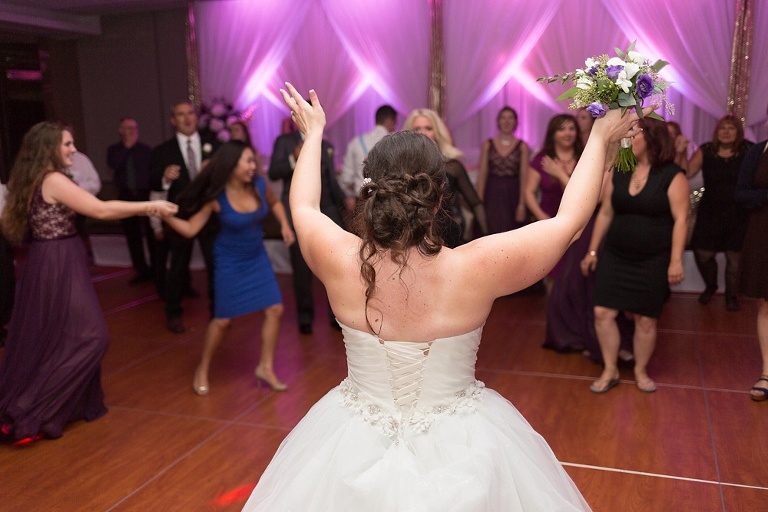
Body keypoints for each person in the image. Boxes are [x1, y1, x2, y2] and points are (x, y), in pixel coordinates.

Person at [241, 83, 650, 511]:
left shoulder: (337, 259)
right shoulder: (476, 267)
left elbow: (303, 208)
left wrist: (314, 133)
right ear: (439, 196)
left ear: (371, 191)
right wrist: (601, 137)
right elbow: (569, 223)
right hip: (463, 446)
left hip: (348, 440)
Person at [0, 122, 176, 444]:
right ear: (49, 148)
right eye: (67, 144)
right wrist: (152, 206)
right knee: (93, 336)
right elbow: (101, 209)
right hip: (58, 260)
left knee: (56, 336)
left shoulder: (32, 178)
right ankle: (32, 408)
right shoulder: (52, 179)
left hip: (48, 258)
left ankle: (56, 407)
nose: (72, 150)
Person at [163, 141, 295, 395]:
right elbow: (191, 228)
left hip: (257, 258)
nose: (252, 166)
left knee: (276, 309)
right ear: (231, 164)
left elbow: (275, 202)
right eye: (247, 161)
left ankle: (265, 368)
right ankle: (202, 368)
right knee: (222, 321)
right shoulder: (217, 197)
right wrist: (165, 216)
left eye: (253, 161)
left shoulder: (259, 185)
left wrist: (285, 226)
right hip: (229, 262)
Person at [581, 117, 688, 394]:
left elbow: (681, 220)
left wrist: (676, 260)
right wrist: (593, 250)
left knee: (645, 319)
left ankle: (640, 370)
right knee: (603, 312)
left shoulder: (673, 175)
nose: (627, 139)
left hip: (653, 260)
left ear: (651, 139)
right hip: (616, 255)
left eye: (633, 133)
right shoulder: (620, 168)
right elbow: (606, 212)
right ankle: (610, 369)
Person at [268, 114, 345, 335]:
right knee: (301, 267)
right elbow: (274, 172)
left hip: (328, 209)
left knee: (334, 265)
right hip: (298, 210)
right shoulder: (285, 142)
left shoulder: (327, 144)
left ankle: (336, 315)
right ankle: (304, 317)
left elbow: (331, 180)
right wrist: (293, 159)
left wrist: (346, 203)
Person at [150, 101, 220, 333]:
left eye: (190, 113)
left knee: (214, 265)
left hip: (208, 214)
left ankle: (217, 313)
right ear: (173, 121)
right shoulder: (163, 151)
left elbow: (228, 178)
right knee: (178, 267)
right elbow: (152, 184)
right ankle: (173, 313)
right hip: (178, 217)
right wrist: (165, 178)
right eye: (181, 114)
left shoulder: (213, 145)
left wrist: (214, 172)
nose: (188, 118)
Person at [684, 115, 753, 311]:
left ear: (738, 132)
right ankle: (711, 286)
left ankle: (731, 296)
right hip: (710, 211)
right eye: (722, 128)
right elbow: (687, 172)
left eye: (731, 128)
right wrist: (680, 152)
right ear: (716, 132)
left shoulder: (748, 150)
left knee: (734, 260)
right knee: (703, 254)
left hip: (739, 212)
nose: (726, 131)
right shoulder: (706, 150)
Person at [403, 108, 488, 247]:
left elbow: (476, 204)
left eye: (428, 128)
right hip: (412, 238)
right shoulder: (403, 168)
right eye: (417, 128)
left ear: (437, 132)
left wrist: (486, 239)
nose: (423, 133)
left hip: (449, 236)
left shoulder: (452, 166)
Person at [525, 113, 583, 292]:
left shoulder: (584, 157)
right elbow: (529, 192)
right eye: (562, 129)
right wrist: (542, 217)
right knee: (553, 272)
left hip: (579, 221)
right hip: (550, 222)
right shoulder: (542, 159)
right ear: (552, 134)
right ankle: (555, 317)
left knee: (576, 273)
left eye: (571, 128)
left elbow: (582, 193)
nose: (568, 133)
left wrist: (560, 174)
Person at [735, 140, 768, 401]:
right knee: (765, 304)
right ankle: (767, 373)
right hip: (762, 232)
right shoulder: (758, 151)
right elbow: (741, 193)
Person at [106, 117, 155, 285]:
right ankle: (141, 270)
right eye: (127, 128)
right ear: (120, 131)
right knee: (132, 236)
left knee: (151, 234)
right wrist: (127, 147)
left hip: (145, 196)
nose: (132, 131)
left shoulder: (146, 150)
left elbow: (153, 173)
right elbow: (114, 165)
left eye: (134, 127)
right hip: (126, 196)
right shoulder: (114, 150)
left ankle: (157, 269)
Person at [475, 106, 529, 234]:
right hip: (491, 192)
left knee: (511, 232)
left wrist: (522, 204)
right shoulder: (487, 144)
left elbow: (524, 176)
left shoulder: (523, 146)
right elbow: (482, 174)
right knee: (489, 230)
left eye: (510, 118)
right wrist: (479, 203)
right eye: (503, 118)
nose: (507, 121)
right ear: (498, 121)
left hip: (513, 194)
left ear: (516, 121)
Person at [339, 105, 397, 212]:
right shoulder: (396, 144)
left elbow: (346, 179)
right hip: (389, 203)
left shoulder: (356, 142)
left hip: (362, 202)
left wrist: (349, 196)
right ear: (390, 121)